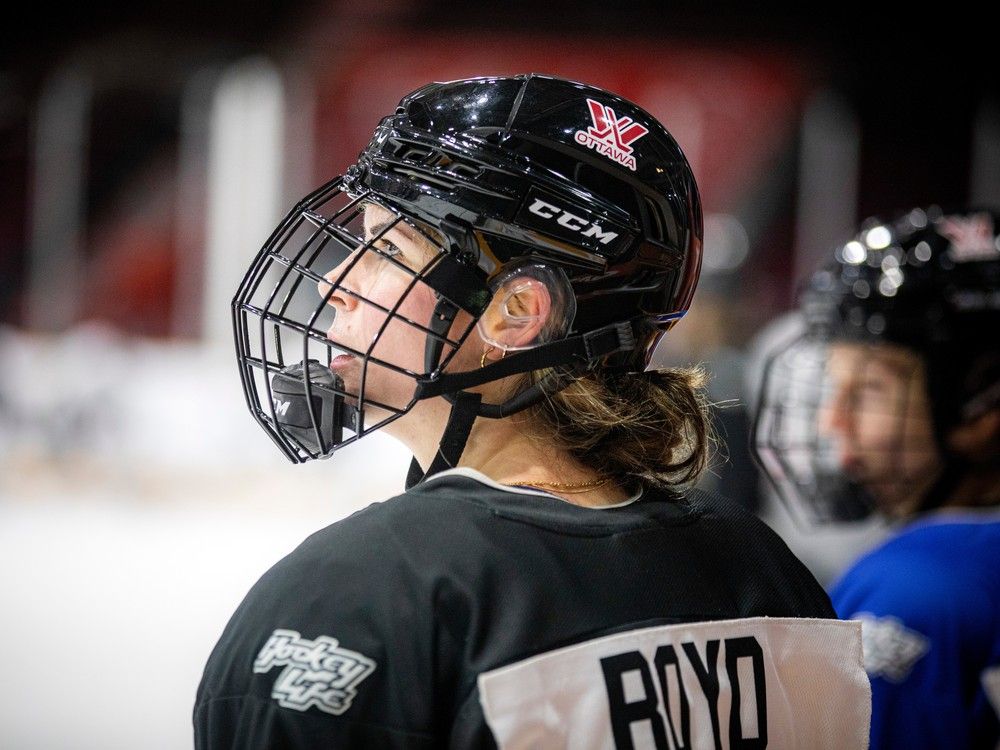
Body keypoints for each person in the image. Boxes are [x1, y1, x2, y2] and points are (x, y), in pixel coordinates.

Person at [196, 74, 869, 748]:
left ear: (517, 312)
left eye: (389, 250)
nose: (334, 283)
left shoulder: (358, 599)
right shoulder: (770, 575)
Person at [753, 206, 1000, 749]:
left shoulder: (911, 591)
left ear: (982, 407)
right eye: (833, 388)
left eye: (867, 392)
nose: (831, 424)